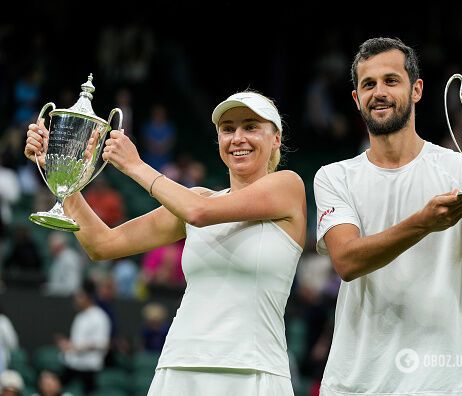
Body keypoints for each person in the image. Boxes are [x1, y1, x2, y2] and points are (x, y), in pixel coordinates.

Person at [313, 37, 462, 395]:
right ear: (356, 99)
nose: (379, 91)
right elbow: (347, 260)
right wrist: (424, 222)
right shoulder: (334, 176)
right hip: (353, 385)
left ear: (416, 90)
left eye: (391, 81)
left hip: (439, 386)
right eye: (369, 84)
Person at [25, 90, 306, 395]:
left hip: (254, 370)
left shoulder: (287, 186)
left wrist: (135, 165)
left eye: (251, 127)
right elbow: (102, 244)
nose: (238, 138)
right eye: (228, 129)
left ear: (276, 138)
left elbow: (199, 213)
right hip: (179, 366)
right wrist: (57, 170)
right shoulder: (196, 198)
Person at [55, 280, 111, 393]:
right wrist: (67, 345)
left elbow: (103, 344)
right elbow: (76, 342)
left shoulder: (99, 317)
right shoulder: (79, 317)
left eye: (79, 296)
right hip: (73, 365)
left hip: (89, 369)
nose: (76, 299)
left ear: (87, 297)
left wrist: (76, 347)